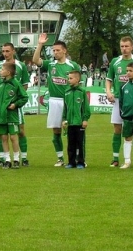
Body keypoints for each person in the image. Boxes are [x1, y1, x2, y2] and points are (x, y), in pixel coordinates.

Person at [32, 33, 81, 166]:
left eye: (58, 50)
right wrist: (40, 44)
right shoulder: (50, 64)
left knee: (74, 130)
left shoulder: (73, 65)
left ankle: (78, 158)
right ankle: (60, 158)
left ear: (64, 50)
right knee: (56, 131)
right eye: (53, 50)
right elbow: (36, 60)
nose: (55, 52)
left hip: (69, 101)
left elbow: (79, 83)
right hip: (54, 101)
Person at [105, 36, 133, 167]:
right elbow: (109, 79)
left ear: (132, 47)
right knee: (117, 128)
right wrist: (108, 92)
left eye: (126, 46)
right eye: (122, 46)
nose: (124, 49)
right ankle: (115, 159)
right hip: (119, 99)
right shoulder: (115, 61)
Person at [0, 43, 30, 166]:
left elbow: (25, 86)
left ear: (13, 51)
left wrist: (15, 102)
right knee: (1, 134)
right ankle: (3, 159)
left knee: (20, 131)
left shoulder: (20, 66)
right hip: (2, 108)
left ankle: (23, 158)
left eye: (7, 51)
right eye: (3, 51)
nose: (5, 53)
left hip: (14, 108)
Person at [62, 70, 90, 169]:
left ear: (77, 79)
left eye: (71, 78)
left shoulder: (82, 92)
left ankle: (81, 162)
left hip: (79, 123)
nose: (68, 80)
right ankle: (71, 162)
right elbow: (65, 107)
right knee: (70, 144)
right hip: (70, 123)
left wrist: (85, 119)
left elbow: (85, 107)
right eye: (68, 78)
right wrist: (64, 119)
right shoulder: (66, 92)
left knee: (80, 143)